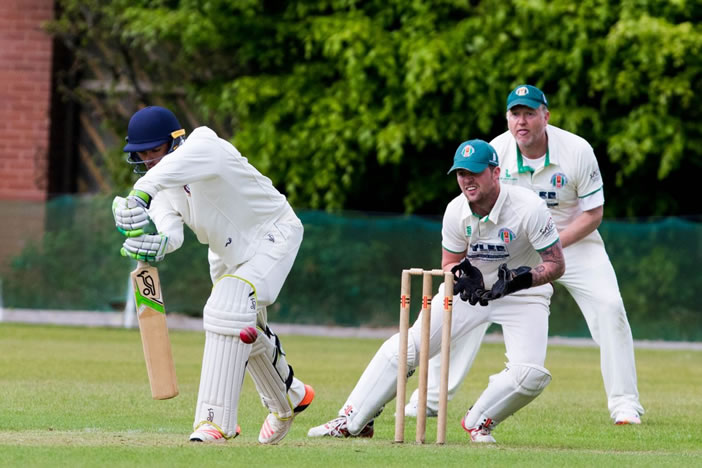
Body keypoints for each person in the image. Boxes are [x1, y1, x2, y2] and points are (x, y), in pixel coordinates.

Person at [404, 85, 644, 425]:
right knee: (463, 301)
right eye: (515, 114)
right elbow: (472, 208)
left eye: (530, 113)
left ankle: (625, 404)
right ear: (507, 118)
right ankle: (428, 399)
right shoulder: (496, 151)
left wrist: (550, 245)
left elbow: (593, 214)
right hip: (506, 248)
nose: (522, 120)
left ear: (545, 116)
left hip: (572, 241)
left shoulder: (577, 150)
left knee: (609, 306)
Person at [308, 139, 565, 443]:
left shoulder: (528, 207)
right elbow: (449, 263)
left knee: (531, 374)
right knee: (404, 348)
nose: (467, 180)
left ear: (495, 173)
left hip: (523, 295)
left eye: (475, 172)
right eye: (461, 173)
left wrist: (517, 281)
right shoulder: (455, 211)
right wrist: (461, 277)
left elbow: (556, 264)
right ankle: (353, 420)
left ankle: (478, 421)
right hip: (469, 295)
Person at [111, 106, 314, 444]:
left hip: (273, 233)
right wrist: (154, 245)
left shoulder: (205, 144)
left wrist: (138, 195)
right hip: (226, 255)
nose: (149, 162)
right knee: (243, 327)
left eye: (154, 152)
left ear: (175, 143)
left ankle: (215, 422)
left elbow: (157, 180)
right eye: (142, 157)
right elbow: (172, 233)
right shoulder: (159, 186)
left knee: (226, 306)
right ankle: (290, 396)